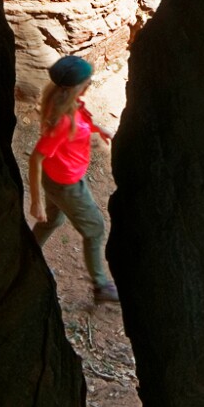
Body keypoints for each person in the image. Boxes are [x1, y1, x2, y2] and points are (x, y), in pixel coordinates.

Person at [29, 54, 119, 304]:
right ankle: (101, 286)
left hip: (55, 177)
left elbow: (80, 122)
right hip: (67, 185)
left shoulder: (61, 99)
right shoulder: (64, 121)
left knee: (53, 220)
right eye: (87, 82)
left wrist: (98, 128)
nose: (89, 84)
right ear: (75, 88)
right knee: (95, 228)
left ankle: (27, 253)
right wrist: (35, 201)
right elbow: (35, 158)